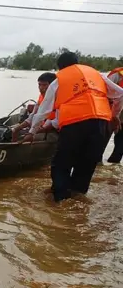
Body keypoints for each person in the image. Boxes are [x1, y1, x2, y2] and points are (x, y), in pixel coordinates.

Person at [24, 52, 123, 202]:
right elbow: (120, 94)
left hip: (73, 124)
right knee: (86, 165)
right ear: (78, 62)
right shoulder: (96, 75)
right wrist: (114, 115)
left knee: (62, 163)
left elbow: (44, 110)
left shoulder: (59, 80)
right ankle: (78, 200)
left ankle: (59, 201)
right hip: (99, 124)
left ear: (60, 67)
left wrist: (32, 132)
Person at [11, 72, 58, 141]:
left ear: (53, 86)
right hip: (40, 126)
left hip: (53, 130)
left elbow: (55, 122)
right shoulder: (41, 97)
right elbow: (32, 116)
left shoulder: (59, 99)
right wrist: (17, 128)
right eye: (39, 85)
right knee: (13, 131)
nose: (41, 88)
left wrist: (33, 132)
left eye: (45, 85)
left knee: (27, 137)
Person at [103, 67, 123, 163]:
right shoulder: (118, 74)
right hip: (111, 109)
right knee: (105, 134)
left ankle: (113, 163)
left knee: (120, 139)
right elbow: (104, 92)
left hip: (117, 110)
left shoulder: (118, 74)